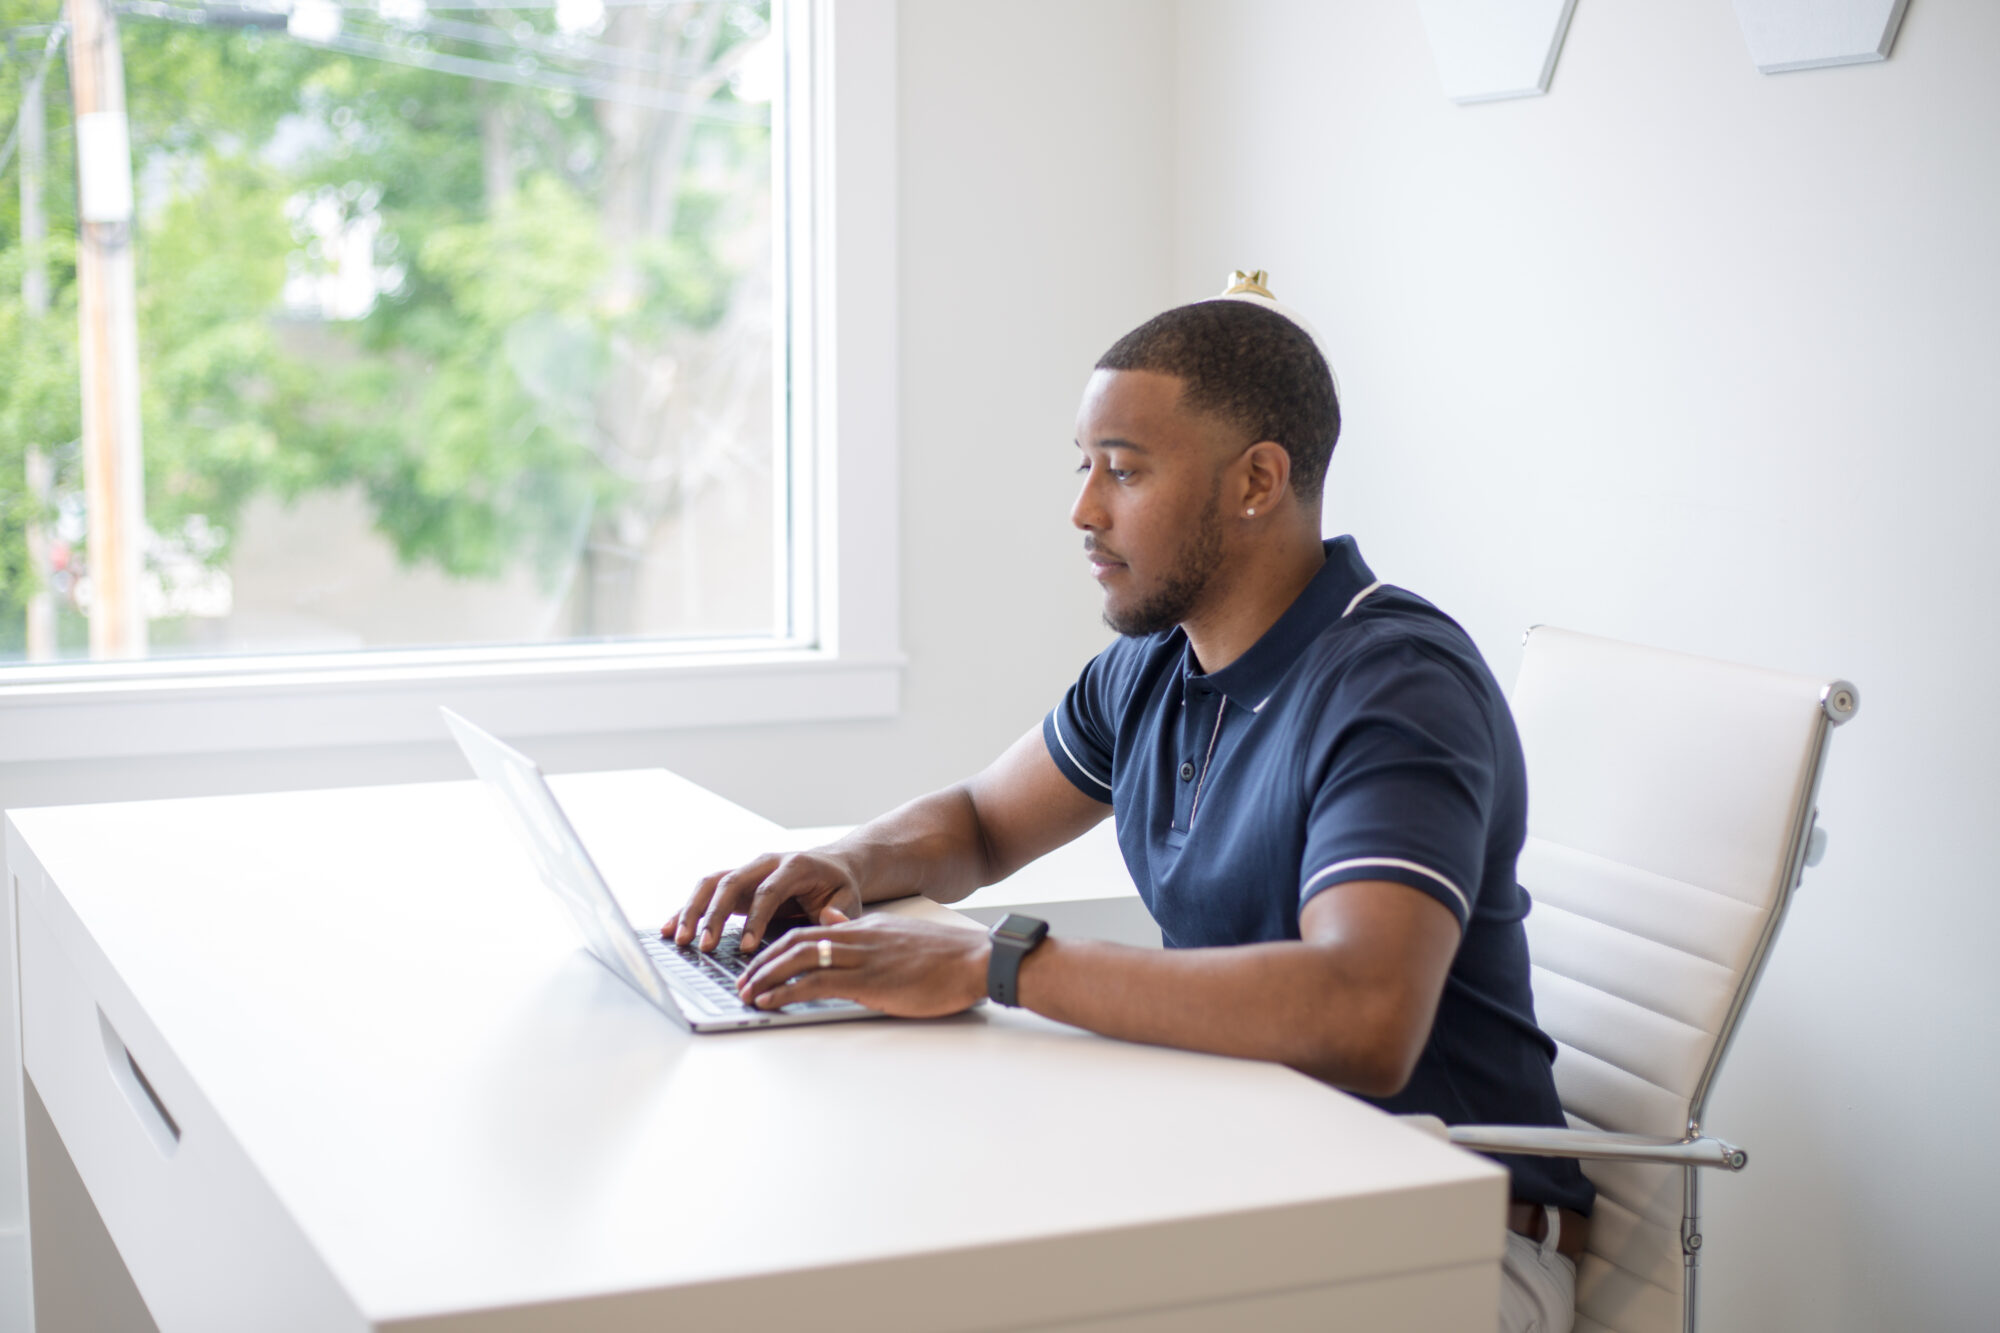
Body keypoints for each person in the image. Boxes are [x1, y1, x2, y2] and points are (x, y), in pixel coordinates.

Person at [664, 274, 1592, 1333]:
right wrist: (845, 862)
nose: (1083, 509)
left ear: (1254, 481)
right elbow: (976, 821)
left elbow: (1361, 1011)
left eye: (1123, 470)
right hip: (1260, 1177)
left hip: (1446, 1242)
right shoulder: (1154, 663)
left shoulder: (1391, 686)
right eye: (1083, 466)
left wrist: (993, 962)